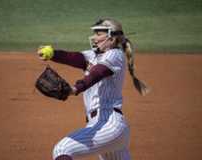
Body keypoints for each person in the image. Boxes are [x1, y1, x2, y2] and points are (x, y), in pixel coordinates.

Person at [37, 18, 149, 160]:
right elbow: (75, 57)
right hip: (107, 129)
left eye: (98, 34)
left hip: (108, 124)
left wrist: (75, 88)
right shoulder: (94, 55)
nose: (94, 38)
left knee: (62, 149)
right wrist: (53, 54)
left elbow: (98, 72)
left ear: (112, 38)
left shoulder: (115, 55)